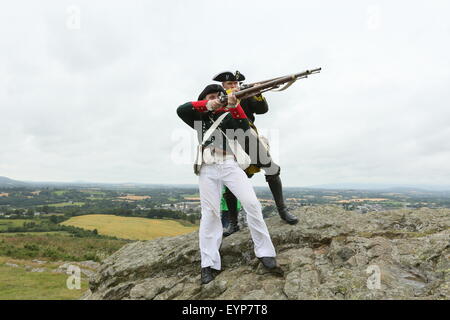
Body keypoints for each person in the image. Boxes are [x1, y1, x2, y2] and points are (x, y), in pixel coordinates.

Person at [176, 84, 277, 285]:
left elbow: (244, 130)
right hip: (207, 166)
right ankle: (209, 263)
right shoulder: (198, 116)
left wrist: (234, 105)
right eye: (210, 95)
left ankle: (265, 252)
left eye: (218, 94)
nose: (216, 97)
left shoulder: (230, 115)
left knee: (252, 204)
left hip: (230, 164)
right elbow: (182, 109)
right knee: (210, 213)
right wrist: (212, 103)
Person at [212, 71, 299, 238]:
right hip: (228, 142)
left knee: (272, 169)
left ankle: (282, 210)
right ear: (223, 85)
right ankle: (233, 223)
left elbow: (262, 110)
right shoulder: (217, 100)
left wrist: (257, 92)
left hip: (248, 136)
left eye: (235, 84)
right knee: (230, 183)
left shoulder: (246, 95)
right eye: (230, 84)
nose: (234, 86)